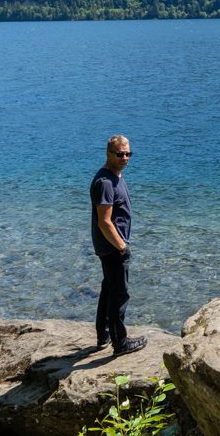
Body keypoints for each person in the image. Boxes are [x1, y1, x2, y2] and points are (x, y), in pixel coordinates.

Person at [90, 134, 147, 355]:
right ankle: (120, 343)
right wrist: (122, 246)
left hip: (111, 245)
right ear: (108, 154)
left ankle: (103, 335)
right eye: (120, 154)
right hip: (113, 246)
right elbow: (104, 221)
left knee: (109, 289)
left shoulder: (115, 176)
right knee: (119, 294)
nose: (124, 158)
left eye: (127, 154)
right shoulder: (105, 182)